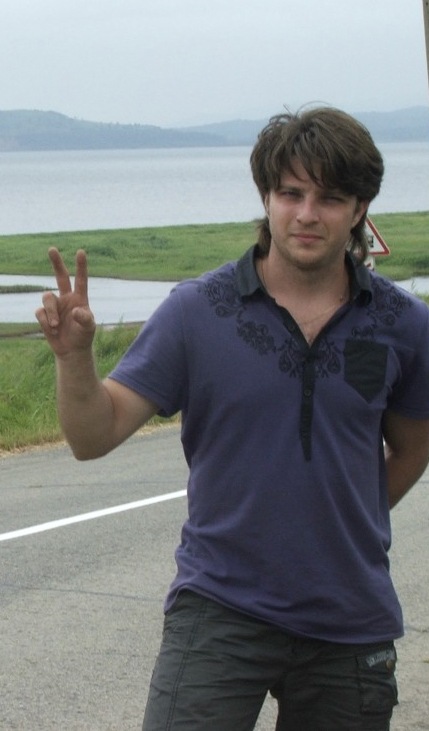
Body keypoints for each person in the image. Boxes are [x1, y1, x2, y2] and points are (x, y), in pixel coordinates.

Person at [36, 106, 429, 731]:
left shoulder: (404, 324)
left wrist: (345, 521)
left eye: (330, 198)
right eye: (291, 193)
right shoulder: (196, 311)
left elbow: (411, 447)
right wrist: (74, 359)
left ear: (360, 209)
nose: (306, 214)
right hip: (220, 608)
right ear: (266, 198)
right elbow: (92, 437)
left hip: (350, 618)